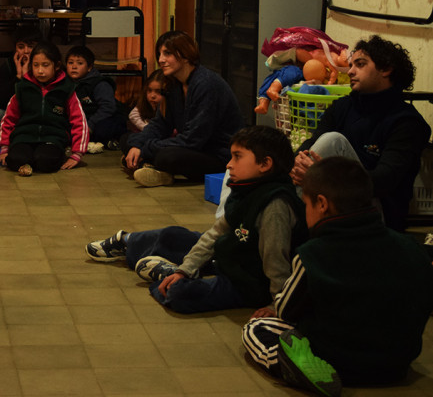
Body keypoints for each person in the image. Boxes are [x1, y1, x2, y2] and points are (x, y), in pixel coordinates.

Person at [243, 157, 433, 396]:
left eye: (306, 204)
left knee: (256, 327)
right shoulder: (411, 247)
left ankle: (294, 365)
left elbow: (285, 310)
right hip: (396, 365)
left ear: (322, 203)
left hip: (336, 361)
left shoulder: (313, 254)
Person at [93, 126, 307, 315]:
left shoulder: (274, 206)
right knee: (173, 235)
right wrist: (184, 269)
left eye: (237, 157)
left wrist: (276, 305)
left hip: (248, 284)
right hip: (229, 259)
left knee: (180, 294)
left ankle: (168, 275)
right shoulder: (246, 187)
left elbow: (276, 262)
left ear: (265, 164)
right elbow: (215, 234)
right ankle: (131, 243)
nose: (229, 164)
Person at [290, 35, 431, 231]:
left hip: (376, 216)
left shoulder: (406, 122)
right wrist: (299, 161)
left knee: (333, 140)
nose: (351, 71)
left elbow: (384, 180)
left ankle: (287, 217)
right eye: (351, 65)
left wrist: (323, 176)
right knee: (254, 152)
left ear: (386, 69)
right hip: (328, 200)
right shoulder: (342, 106)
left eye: (360, 64)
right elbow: (312, 143)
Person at [120, 30, 243, 187]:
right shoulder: (174, 83)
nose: (161, 60)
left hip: (217, 153)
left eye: (167, 54)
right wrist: (137, 145)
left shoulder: (206, 84)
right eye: (159, 54)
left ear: (185, 55)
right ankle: (152, 168)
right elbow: (160, 124)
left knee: (167, 156)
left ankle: (149, 164)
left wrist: (144, 149)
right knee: (127, 139)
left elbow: (193, 139)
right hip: (194, 148)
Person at [0, 41, 88, 174]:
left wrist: (77, 154)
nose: (40, 71)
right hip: (23, 137)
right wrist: (4, 149)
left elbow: (79, 121)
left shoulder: (66, 89)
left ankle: (45, 157)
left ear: (56, 66)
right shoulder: (22, 88)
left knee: (45, 161)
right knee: (16, 160)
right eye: (36, 65)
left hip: (53, 139)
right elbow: (8, 119)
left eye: (45, 65)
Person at [0, 25, 44, 126]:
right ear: (15, 49)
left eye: (31, 46)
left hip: (39, 112)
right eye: (21, 47)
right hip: (14, 112)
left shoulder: (45, 65)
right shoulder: (9, 65)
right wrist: (18, 77)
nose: (26, 51)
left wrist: (28, 76)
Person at [65, 45, 127, 149]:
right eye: (70, 63)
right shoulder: (65, 83)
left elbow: (108, 107)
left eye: (80, 63)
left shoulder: (99, 83)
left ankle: (109, 141)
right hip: (80, 121)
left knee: (104, 129)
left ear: (89, 67)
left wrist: (90, 125)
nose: (74, 67)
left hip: (100, 119)